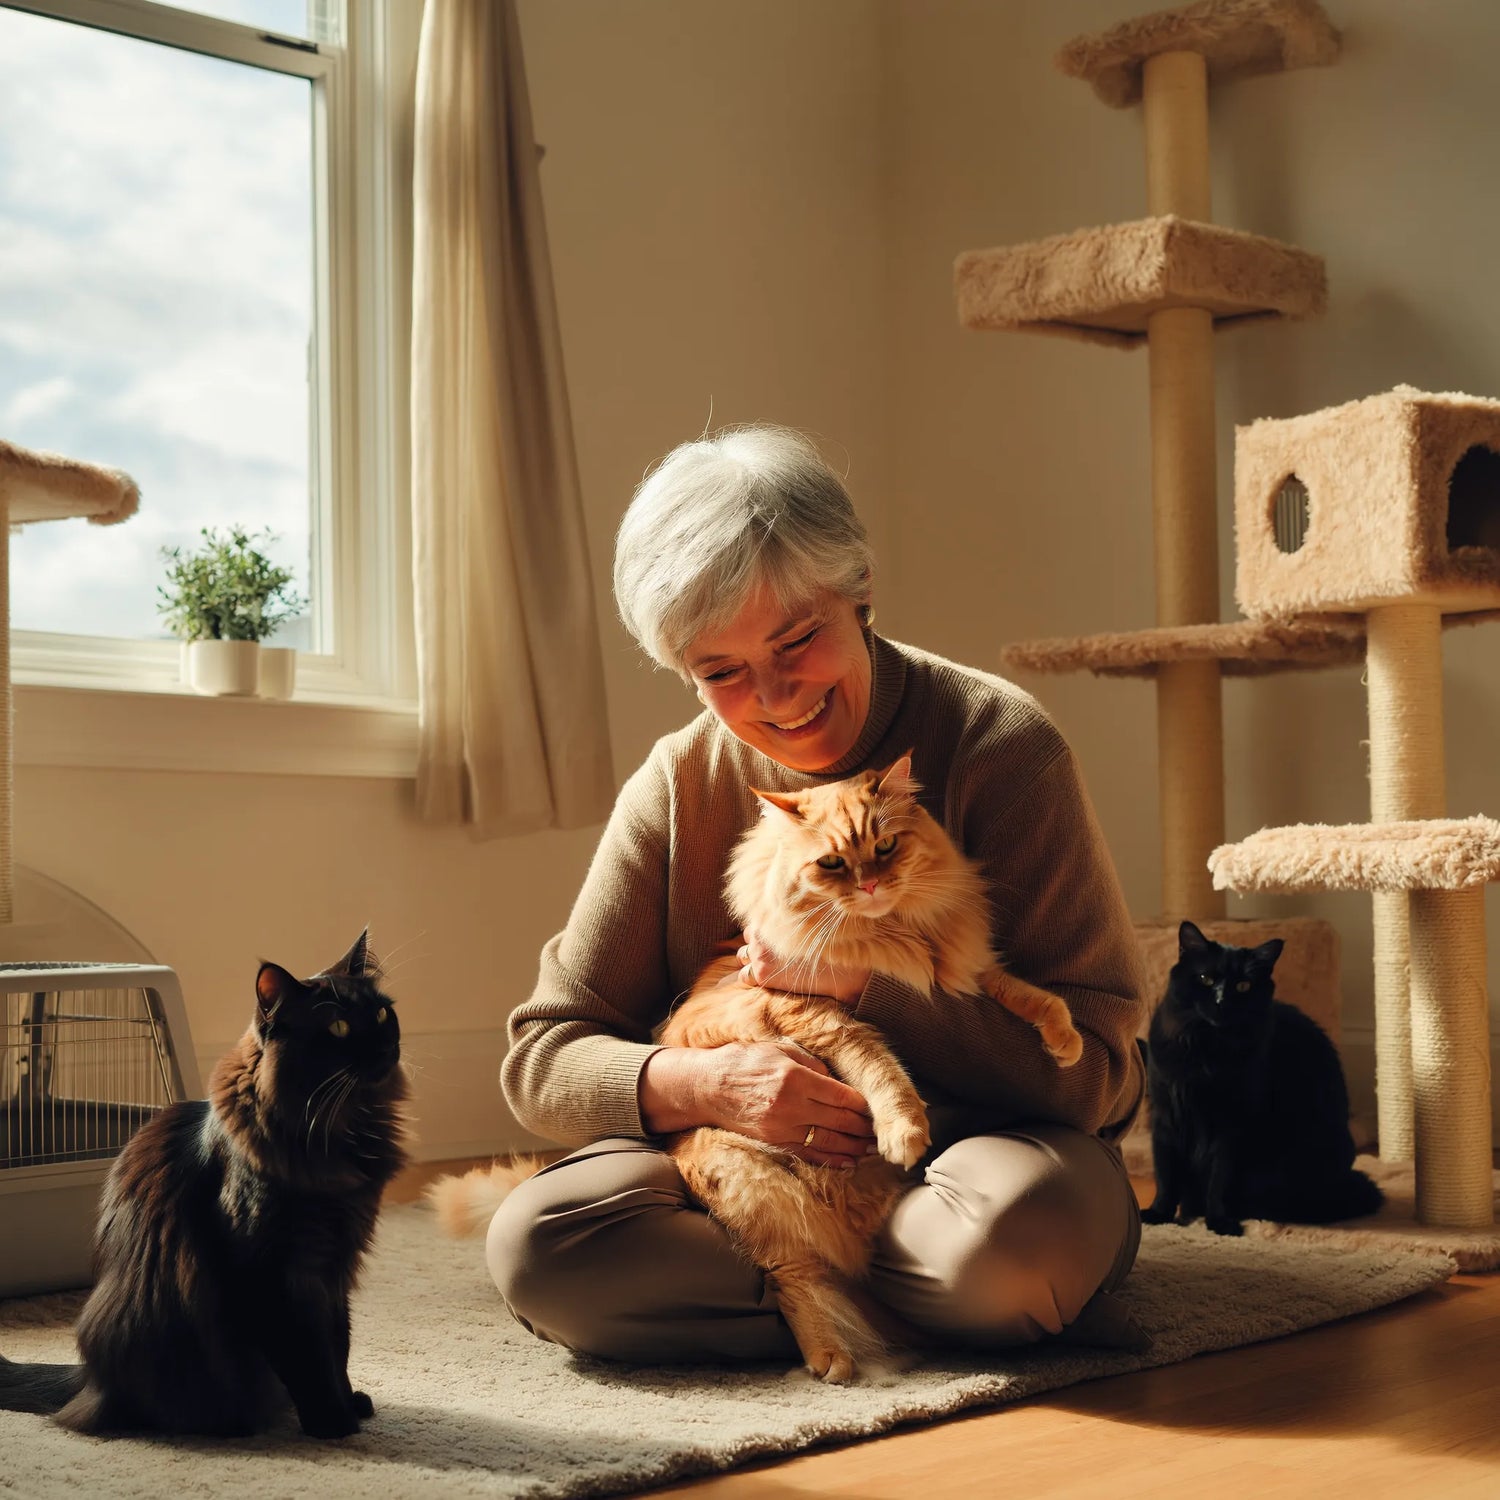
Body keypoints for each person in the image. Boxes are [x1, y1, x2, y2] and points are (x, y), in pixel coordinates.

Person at [488, 425, 1147, 1363]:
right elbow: (542, 1060)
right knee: (538, 1246)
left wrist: (865, 995)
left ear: (862, 593)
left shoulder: (1003, 746)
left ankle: (805, 1298)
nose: (776, 695)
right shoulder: (680, 783)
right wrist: (712, 1084)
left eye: (798, 639)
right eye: (720, 672)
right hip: (761, 1176)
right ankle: (871, 1298)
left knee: (1012, 1246)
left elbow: (1105, 1077)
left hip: (966, 1171)